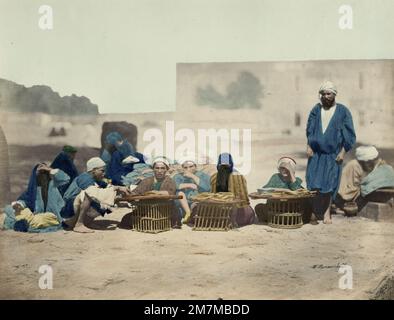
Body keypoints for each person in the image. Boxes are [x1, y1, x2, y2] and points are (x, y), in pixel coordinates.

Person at [306, 81, 356, 224]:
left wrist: (343, 152)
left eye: (328, 94)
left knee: (329, 184)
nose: (325, 96)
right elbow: (309, 129)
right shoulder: (316, 110)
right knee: (313, 183)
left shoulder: (343, 111)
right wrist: (309, 146)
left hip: (333, 155)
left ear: (334, 94)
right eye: (322, 94)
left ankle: (327, 213)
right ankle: (314, 213)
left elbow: (349, 134)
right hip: (316, 154)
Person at [61, 157, 130, 233]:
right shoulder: (85, 178)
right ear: (94, 170)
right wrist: (115, 190)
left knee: (107, 198)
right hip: (68, 210)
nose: (104, 174)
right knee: (90, 195)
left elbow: (109, 187)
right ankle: (79, 224)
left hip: (75, 208)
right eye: (102, 171)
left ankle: (87, 223)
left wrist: (119, 188)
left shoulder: (96, 179)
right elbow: (94, 193)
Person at [3, 163, 70, 232]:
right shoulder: (33, 189)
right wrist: (19, 204)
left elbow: (66, 179)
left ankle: (24, 223)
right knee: (10, 208)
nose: (42, 174)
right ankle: (25, 223)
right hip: (35, 216)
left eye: (44, 172)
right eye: (40, 172)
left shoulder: (54, 185)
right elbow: (26, 200)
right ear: (35, 175)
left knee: (39, 218)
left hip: (52, 216)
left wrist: (50, 169)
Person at [119, 157, 179, 228]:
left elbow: (170, 193)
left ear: (166, 169)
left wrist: (155, 192)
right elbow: (137, 192)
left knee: (155, 222)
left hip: (163, 210)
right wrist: (128, 193)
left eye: (162, 168)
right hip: (146, 209)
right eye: (157, 168)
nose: (159, 171)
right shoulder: (147, 181)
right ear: (153, 169)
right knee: (126, 219)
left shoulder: (170, 181)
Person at [337, 145, 394, 211]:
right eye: (367, 161)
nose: (369, 163)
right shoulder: (354, 165)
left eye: (371, 160)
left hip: (366, 193)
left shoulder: (382, 166)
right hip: (350, 196)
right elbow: (347, 189)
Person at [210, 153, 255, 227]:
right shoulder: (239, 176)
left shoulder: (214, 177)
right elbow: (243, 197)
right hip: (239, 213)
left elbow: (211, 195)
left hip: (219, 211)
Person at [173, 156, 211, 224]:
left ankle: (192, 216)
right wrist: (189, 185)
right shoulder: (178, 176)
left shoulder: (203, 175)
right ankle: (188, 213)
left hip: (197, 202)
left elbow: (207, 188)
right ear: (182, 168)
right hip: (182, 204)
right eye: (185, 167)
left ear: (195, 166)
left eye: (191, 166)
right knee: (180, 193)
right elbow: (174, 186)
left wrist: (193, 176)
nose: (188, 169)